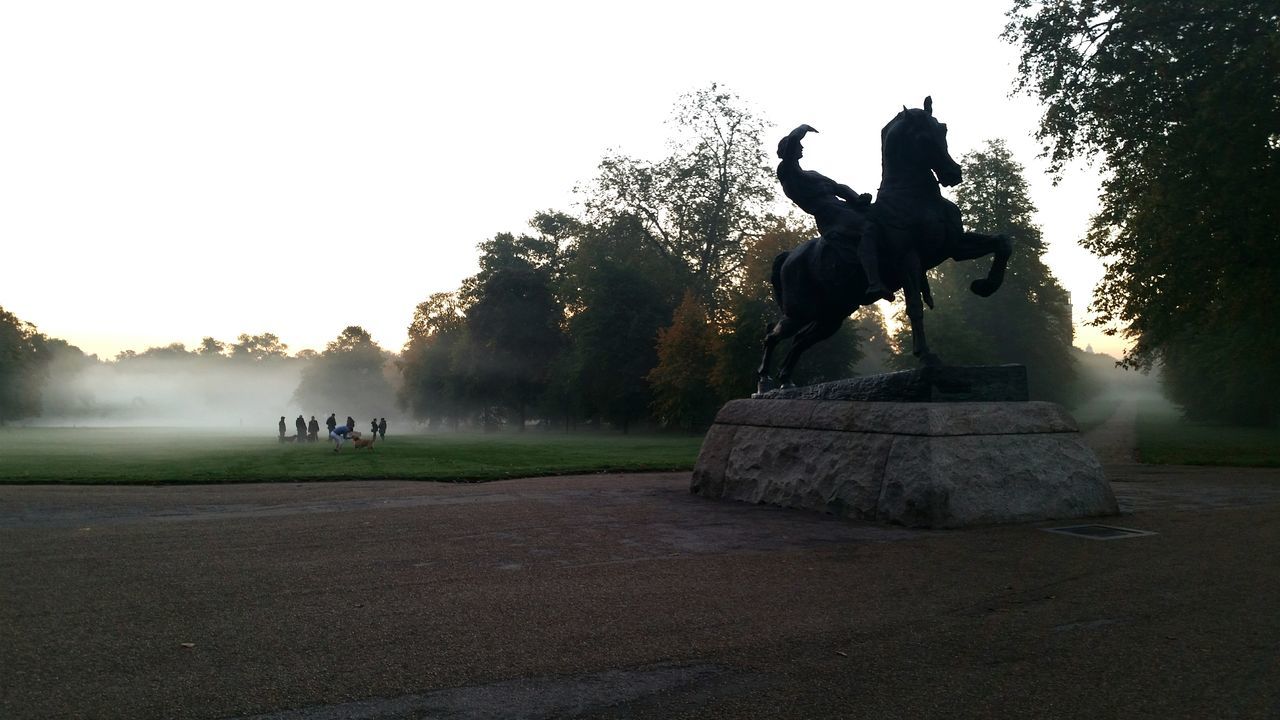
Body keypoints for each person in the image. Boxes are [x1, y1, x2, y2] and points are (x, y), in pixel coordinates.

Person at [776, 124, 892, 303]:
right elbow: (792, 141)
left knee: (883, 215)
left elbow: (838, 187)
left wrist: (857, 199)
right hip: (830, 217)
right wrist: (802, 129)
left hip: (844, 208)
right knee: (867, 228)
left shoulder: (812, 174)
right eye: (799, 146)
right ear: (787, 151)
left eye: (801, 145)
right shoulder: (787, 172)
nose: (802, 147)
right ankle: (874, 282)